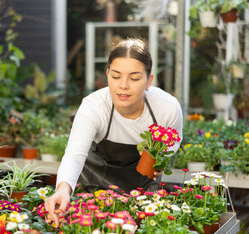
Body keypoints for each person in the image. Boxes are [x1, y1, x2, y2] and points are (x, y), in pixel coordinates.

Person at [45, 38, 183, 224]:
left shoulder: (166, 108)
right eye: (116, 76)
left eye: (134, 78)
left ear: (149, 80)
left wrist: (160, 159)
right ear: (108, 74)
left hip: (142, 190)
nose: (123, 85)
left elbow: (174, 141)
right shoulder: (94, 106)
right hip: (96, 185)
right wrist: (62, 189)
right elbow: (74, 155)